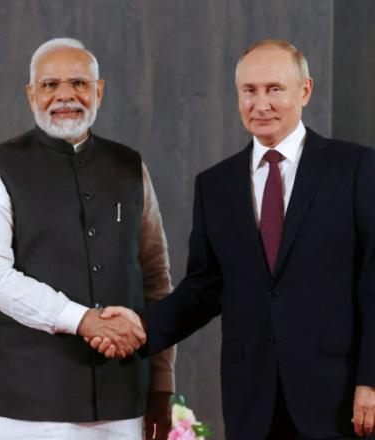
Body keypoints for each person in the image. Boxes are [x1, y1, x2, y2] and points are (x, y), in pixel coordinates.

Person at [89, 39, 375, 439]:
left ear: (305, 91)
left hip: (339, 399)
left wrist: (371, 380)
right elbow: (204, 288)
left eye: (275, 89)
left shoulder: (357, 168)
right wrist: (141, 326)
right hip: (252, 401)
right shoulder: (215, 185)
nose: (261, 104)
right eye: (249, 90)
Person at [0, 37, 175, 440]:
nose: (65, 96)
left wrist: (161, 385)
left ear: (99, 91)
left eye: (78, 83)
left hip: (121, 407)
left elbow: (155, 279)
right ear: (31, 95)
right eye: (49, 85)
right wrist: (82, 319)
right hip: (22, 411)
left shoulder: (130, 166)